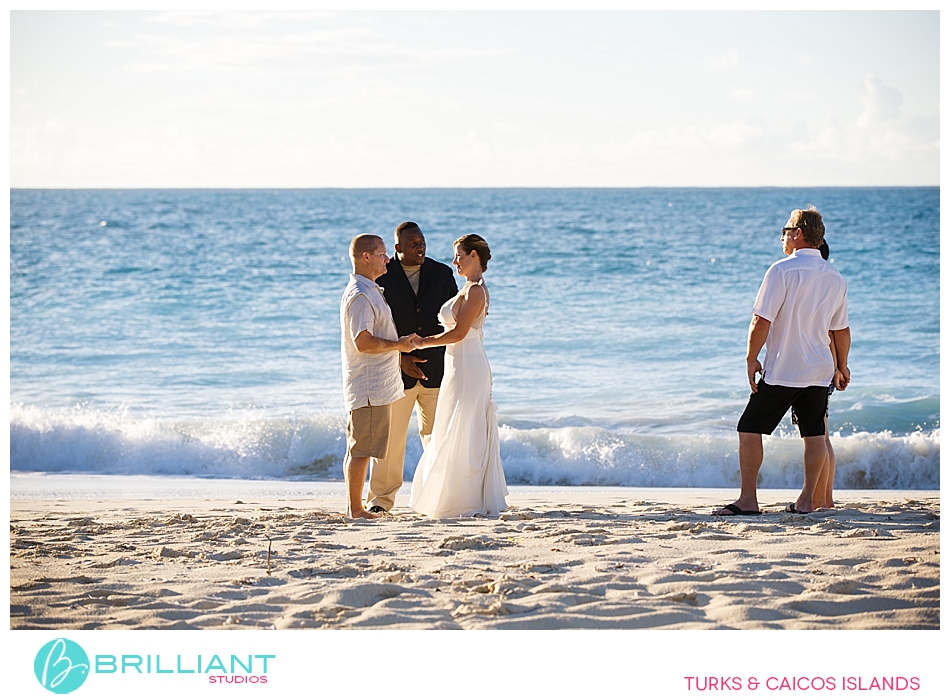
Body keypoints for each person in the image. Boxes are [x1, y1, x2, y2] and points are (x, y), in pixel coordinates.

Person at [714, 207, 850, 516]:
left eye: (786, 230)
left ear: (798, 234)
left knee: (749, 428)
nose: (783, 236)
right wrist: (842, 366)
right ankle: (807, 501)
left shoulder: (781, 270)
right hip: (818, 369)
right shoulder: (835, 277)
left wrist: (751, 358)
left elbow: (761, 321)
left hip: (785, 369)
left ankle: (748, 500)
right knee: (814, 434)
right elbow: (841, 330)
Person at [408, 234, 509, 518]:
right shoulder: (467, 288)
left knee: (464, 426)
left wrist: (423, 341)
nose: (455, 262)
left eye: (459, 256)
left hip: (469, 365)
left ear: (474, 256)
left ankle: (466, 498)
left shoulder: (476, 291)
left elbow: (459, 333)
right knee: (451, 424)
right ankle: (450, 493)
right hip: (457, 365)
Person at [366, 222, 459, 514]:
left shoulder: (442, 273)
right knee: (390, 442)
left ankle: (441, 497)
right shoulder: (382, 275)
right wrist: (400, 357)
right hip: (395, 372)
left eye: (422, 242)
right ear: (397, 249)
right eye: (412, 243)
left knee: (438, 437)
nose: (420, 247)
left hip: (438, 369)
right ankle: (380, 501)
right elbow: (376, 325)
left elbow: (454, 319)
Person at [339, 234, 419, 519]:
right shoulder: (361, 295)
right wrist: (398, 345)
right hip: (369, 386)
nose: (388, 258)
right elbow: (363, 342)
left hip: (373, 385)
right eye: (383, 253)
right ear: (366, 257)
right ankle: (357, 510)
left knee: (361, 446)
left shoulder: (370, 289)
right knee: (362, 448)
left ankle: (354, 507)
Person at [792, 241, 849, 509]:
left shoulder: (814, 286)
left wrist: (838, 368)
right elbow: (837, 333)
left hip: (816, 371)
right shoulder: (831, 284)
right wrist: (840, 367)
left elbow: (830, 334)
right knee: (823, 436)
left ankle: (821, 499)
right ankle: (824, 499)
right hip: (826, 368)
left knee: (818, 436)